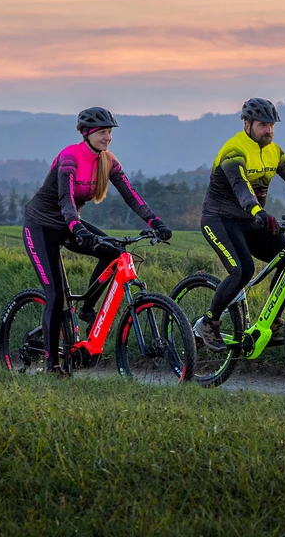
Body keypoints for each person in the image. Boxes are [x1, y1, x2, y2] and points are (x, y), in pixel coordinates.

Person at [22, 106, 172, 374]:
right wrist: (76, 227)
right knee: (55, 296)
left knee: (113, 253)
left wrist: (155, 222)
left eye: (110, 132)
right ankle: (51, 364)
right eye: (103, 132)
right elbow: (65, 199)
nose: (108, 137)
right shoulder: (70, 157)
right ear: (87, 133)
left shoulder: (108, 161)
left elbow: (130, 194)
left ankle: (87, 308)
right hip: (41, 226)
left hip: (71, 225)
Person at [195, 97, 285, 351]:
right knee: (242, 271)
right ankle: (208, 323)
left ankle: (272, 322)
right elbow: (241, 187)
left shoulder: (275, 152)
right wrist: (258, 211)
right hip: (220, 219)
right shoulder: (234, 150)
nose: (269, 130)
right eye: (263, 125)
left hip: (251, 219)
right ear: (247, 124)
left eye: (272, 125)